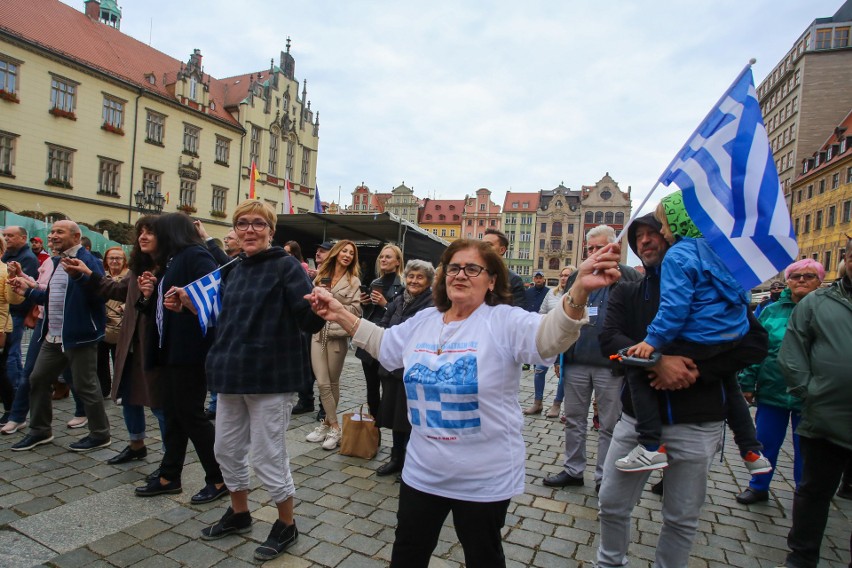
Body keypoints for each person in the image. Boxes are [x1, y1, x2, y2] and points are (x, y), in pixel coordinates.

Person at [305, 237, 623, 568]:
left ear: (492, 280)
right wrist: (339, 312)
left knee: (483, 557)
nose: (460, 274)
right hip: (423, 471)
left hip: (482, 478)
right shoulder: (426, 320)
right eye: (454, 267)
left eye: (472, 268)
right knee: (408, 554)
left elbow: (550, 336)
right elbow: (385, 344)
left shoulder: (503, 320)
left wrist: (578, 292)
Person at [597, 212, 768, 567]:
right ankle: (609, 563)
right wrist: (658, 362)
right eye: (637, 236)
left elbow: (754, 344)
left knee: (681, 517)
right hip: (636, 421)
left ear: (671, 236)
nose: (644, 240)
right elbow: (609, 340)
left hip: (697, 421)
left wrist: (696, 370)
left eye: (653, 232)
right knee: (611, 504)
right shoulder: (627, 293)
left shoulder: (711, 288)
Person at [166, 201, 325, 560]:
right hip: (230, 374)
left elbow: (306, 319)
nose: (249, 230)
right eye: (242, 224)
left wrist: (319, 309)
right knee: (225, 450)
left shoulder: (285, 266)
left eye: (257, 224)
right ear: (235, 231)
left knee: (269, 455)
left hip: (269, 377)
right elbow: (223, 316)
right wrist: (188, 305)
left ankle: (287, 523)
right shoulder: (234, 267)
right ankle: (239, 513)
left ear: (271, 231)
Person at [616, 193, 769, 475]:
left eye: (660, 227)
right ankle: (751, 449)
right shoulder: (719, 252)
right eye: (640, 236)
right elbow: (740, 294)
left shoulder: (678, 256)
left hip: (698, 402)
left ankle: (650, 446)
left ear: (676, 226)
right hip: (729, 334)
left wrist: (653, 344)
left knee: (635, 365)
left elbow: (675, 308)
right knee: (731, 385)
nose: (654, 236)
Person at [133, 213, 226, 504]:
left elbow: (215, 293)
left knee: (191, 416)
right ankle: (169, 475)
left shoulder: (194, 254)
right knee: (174, 415)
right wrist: (149, 295)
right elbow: (163, 309)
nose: (151, 237)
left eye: (156, 231)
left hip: (190, 352)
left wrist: (188, 302)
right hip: (171, 350)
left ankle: (220, 478)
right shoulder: (173, 260)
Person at [62, 217, 167, 470]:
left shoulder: (169, 268)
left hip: (154, 346)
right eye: (140, 232)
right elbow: (118, 290)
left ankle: (169, 456)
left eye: (149, 232)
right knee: (129, 397)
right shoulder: (140, 266)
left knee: (159, 403)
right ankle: (136, 445)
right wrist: (87, 274)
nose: (142, 237)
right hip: (130, 342)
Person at [543, 226, 641, 493]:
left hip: (611, 364)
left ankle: (604, 477)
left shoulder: (629, 276)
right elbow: (565, 316)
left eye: (601, 248)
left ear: (615, 249)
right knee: (574, 419)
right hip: (576, 359)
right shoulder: (578, 275)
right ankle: (573, 470)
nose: (595, 253)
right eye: (591, 249)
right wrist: (561, 356)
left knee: (609, 425)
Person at [776, 237, 852, 568]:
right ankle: (802, 557)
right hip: (825, 415)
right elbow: (792, 352)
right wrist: (812, 393)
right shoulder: (819, 302)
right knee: (813, 491)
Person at [9, 221, 112, 452]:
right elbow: (52, 298)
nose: (53, 235)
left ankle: (100, 434)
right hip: (53, 335)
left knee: (86, 386)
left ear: (76, 237)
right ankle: (40, 430)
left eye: (59, 232)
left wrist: (80, 277)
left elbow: (100, 295)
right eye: (52, 231)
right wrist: (26, 291)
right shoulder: (56, 261)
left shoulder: (88, 261)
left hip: (79, 336)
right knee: (38, 379)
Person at [736, 259, 824, 505]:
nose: (801, 280)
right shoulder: (772, 310)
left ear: (819, 280)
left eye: (808, 276)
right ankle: (758, 485)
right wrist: (747, 382)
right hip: (773, 389)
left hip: (811, 394)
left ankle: (804, 493)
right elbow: (757, 348)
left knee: (806, 448)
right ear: (787, 281)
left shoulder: (826, 309)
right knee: (765, 442)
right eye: (795, 276)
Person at [374, 259, 435, 476]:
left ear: (428, 281)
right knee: (395, 415)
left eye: (420, 277)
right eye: (411, 276)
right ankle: (396, 457)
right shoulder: (398, 300)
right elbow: (384, 322)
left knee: (412, 418)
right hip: (391, 367)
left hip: (413, 368)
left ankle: (411, 462)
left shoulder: (432, 304)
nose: (414, 280)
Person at [305, 240, 362, 450]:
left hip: (337, 336)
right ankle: (334, 427)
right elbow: (311, 304)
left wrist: (336, 306)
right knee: (321, 383)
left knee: (332, 383)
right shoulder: (320, 276)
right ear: (337, 253)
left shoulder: (354, 282)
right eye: (344, 251)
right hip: (318, 334)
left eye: (351, 253)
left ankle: (327, 425)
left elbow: (356, 312)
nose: (347, 255)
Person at [357, 244, 403, 420]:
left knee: (389, 389)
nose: (383, 259)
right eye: (382, 257)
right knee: (371, 389)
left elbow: (401, 316)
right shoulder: (375, 283)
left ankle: (390, 425)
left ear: (397, 262)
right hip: (370, 339)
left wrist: (385, 304)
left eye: (388, 257)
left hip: (388, 341)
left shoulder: (403, 286)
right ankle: (373, 431)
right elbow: (370, 313)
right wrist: (365, 303)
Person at [528, 265, 575, 418]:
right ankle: (538, 402)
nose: (563, 278)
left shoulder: (576, 295)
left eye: (567, 275)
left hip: (567, 341)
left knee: (562, 374)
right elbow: (542, 312)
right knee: (539, 370)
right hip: (550, 338)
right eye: (562, 275)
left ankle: (556, 404)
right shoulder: (551, 293)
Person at [295, 241, 334, 417]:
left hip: (327, 327)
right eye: (317, 251)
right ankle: (305, 400)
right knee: (306, 365)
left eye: (323, 251)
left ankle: (324, 408)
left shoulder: (335, 275)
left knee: (324, 371)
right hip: (308, 326)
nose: (318, 254)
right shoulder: (312, 274)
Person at [2, 226, 39, 391]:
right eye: (5, 235)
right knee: (13, 353)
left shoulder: (27, 258)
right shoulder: (8, 256)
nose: (7, 238)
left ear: (23, 238)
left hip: (15, 313)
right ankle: (17, 385)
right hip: (10, 313)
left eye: (11, 235)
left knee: (10, 354)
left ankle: (13, 388)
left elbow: (22, 291)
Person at [96, 247, 128, 398]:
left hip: (121, 325)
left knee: (120, 361)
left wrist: (123, 308)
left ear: (124, 261)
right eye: (111, 258)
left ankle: (121, 391)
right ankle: (104, 390)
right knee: (100, 360)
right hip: (102, 324)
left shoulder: (129, 276)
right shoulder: (101, 275)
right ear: (106, 260)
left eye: (118, 258)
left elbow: (137, 297)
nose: (114, 261)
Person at [482, 228, 525, 306]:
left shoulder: (513, 280)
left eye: (488, 245)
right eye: (481, 245)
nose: (482, 248)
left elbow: (516, 312)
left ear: (502, 250)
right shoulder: (472, 273)